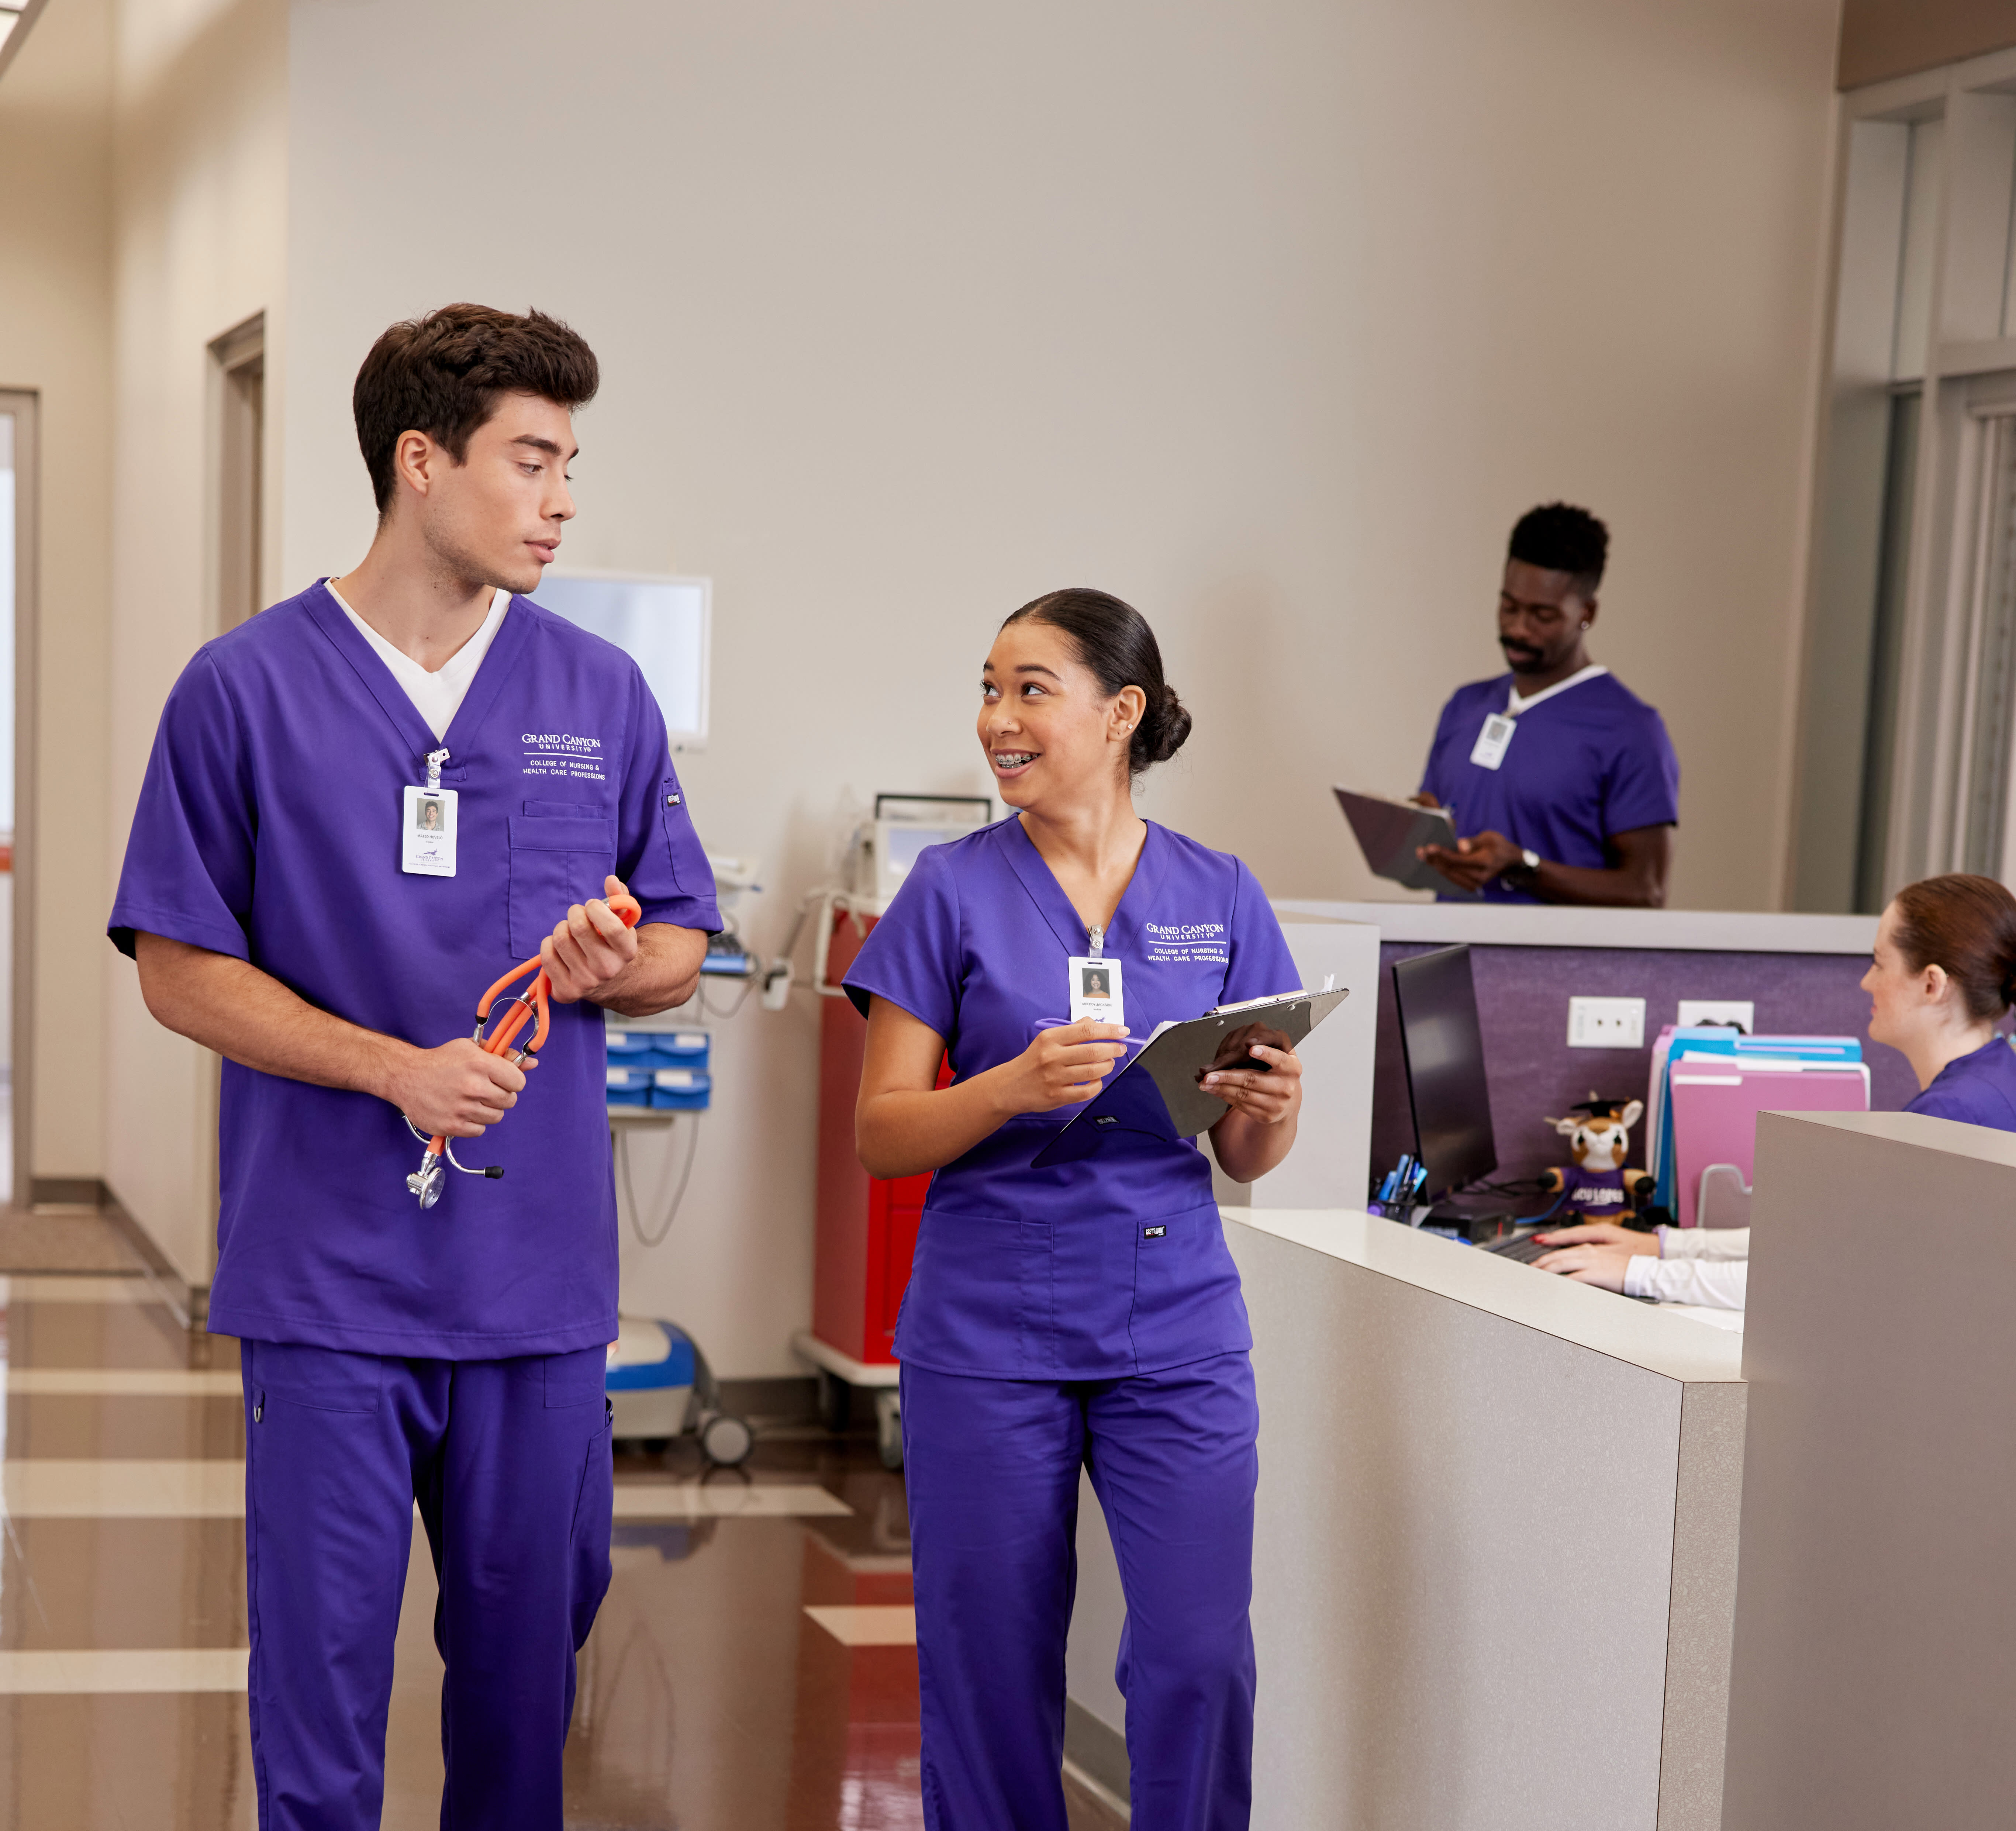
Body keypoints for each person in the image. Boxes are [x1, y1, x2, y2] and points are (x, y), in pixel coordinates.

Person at [107, 304, 720, 1830]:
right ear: (420, 462)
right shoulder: (241, 689)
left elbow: (679, 941)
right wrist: (393, 1070)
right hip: (330, 1278)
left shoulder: (599, 695)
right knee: (319, 1689)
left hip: (535, 1283)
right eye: (533, 459)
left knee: (523, 1687)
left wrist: (612, 963)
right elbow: (180, 965)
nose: (563, 497)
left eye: (571, 462)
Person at [846, 588, 1305, 1831]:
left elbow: (1252, 1155)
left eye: (1029, 690)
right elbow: (882, 1132)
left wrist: (1272, 1095)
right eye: (988, 688)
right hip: (989, 1332)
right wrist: (1004, 1088)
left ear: (1121, 713)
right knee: (988, 1671)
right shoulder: (946, 890)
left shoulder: (1222, 892)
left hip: (1177, 1330)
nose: (997, 718)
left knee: (1197, 1657)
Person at [1535, 873, 2016, 1308]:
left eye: (1878, 962)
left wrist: (1641, 1272)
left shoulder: (1949, 1115)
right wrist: (1667, 1245)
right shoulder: (1993, 1078)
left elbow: (1820, 1277)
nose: (1867, 980)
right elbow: (1826, 1242)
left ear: (1932, 984)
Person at [1413, 502, 1678, 906]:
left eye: (1542, 615)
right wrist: (1417, 834)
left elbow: (1646, 889)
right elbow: (1436, 833)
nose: (1518, 628)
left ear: (1586, 613)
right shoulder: (1465, 706)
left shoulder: (1630, 729)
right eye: (1509, 607)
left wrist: (1523, 867)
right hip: (1452, 959)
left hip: (1553, 968)